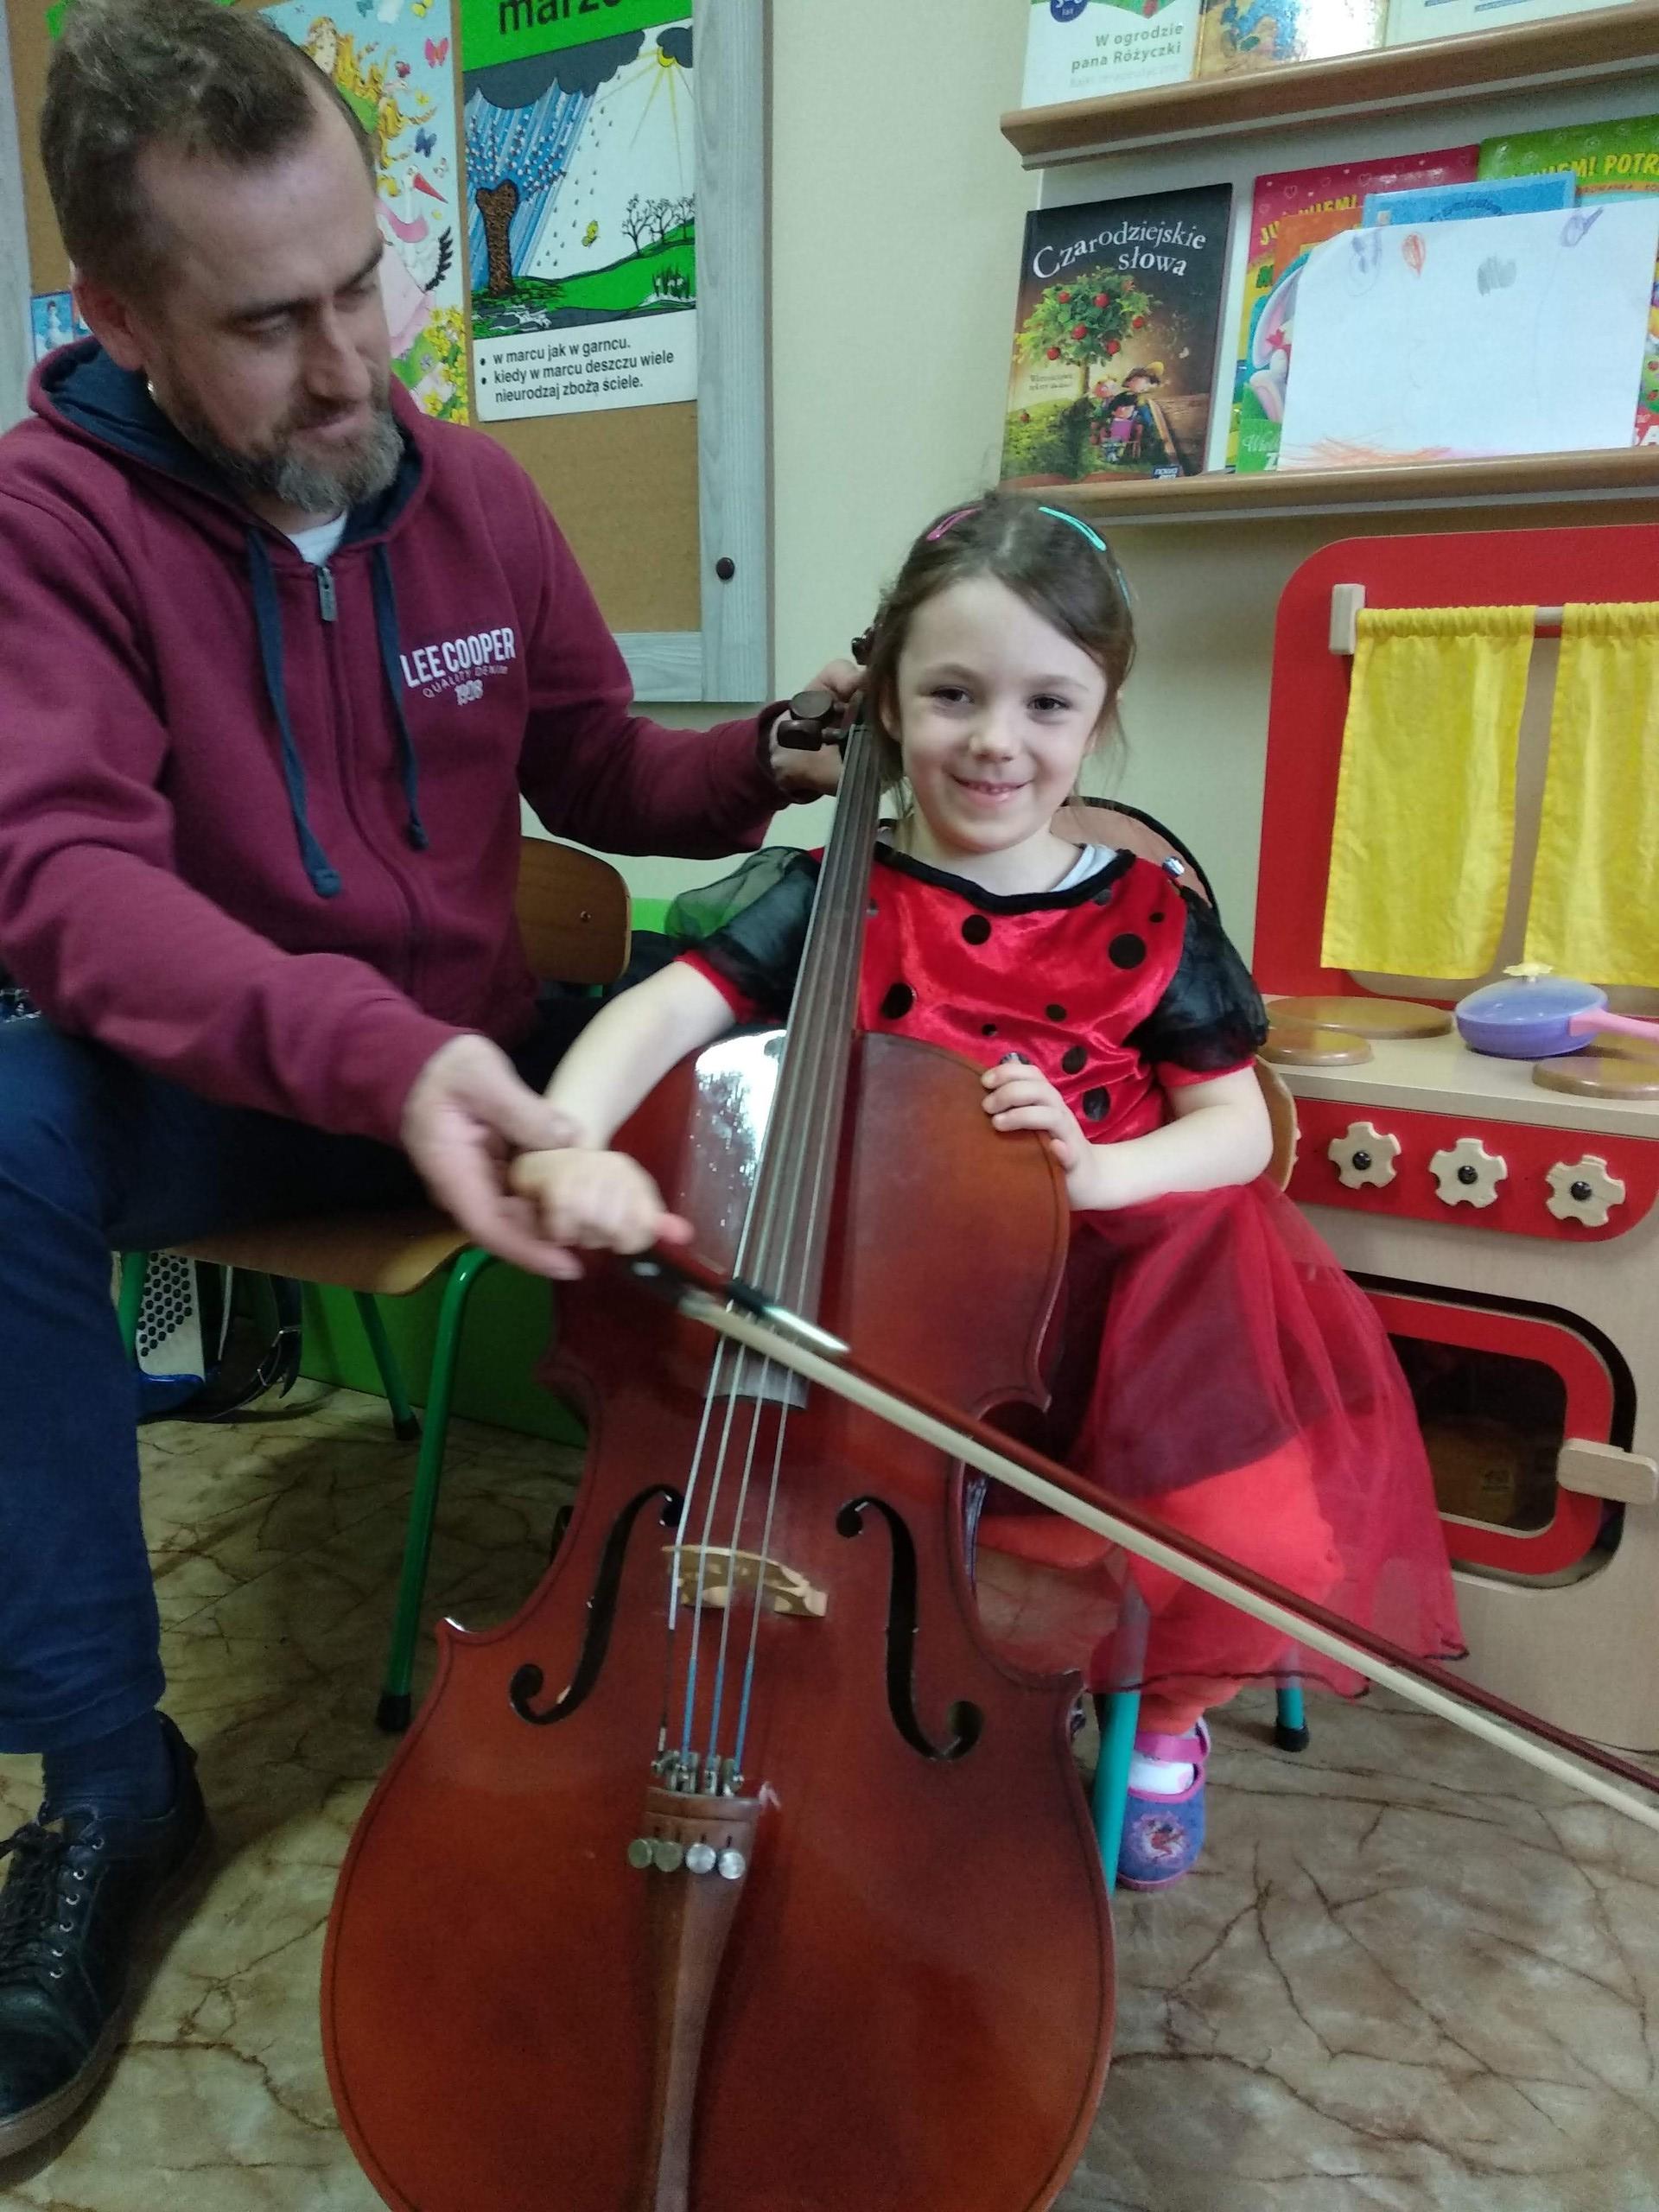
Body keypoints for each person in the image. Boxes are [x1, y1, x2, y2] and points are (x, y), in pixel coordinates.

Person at [0, 0, 842, 2158]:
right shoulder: (47, 522)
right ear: (118, 319)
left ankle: (752, 1649)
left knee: (795, 1069)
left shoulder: (472, 489)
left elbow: (597, 766)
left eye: (367, 280)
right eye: (270, 322)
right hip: (241, 1086)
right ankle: (107, 1781)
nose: (355, 363)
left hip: (488, 1043)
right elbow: (66, 884)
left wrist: (766, 752)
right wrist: (380, 1055)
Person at [506, 493, 1462, 1894]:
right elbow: (664, 1012)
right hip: (896, 1289)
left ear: (1099, 713)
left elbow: (1234, 1128)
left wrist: (1102, 1169)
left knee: (1227, 1523)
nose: (996, 740)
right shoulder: (836, 890)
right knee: (866, 1501)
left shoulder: (1150, 916)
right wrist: (564, 1135)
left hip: (1128, 1288)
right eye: (952, 695)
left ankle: (1167, 1718)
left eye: (1046, 703)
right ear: (889, 701)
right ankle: (941, 1678)